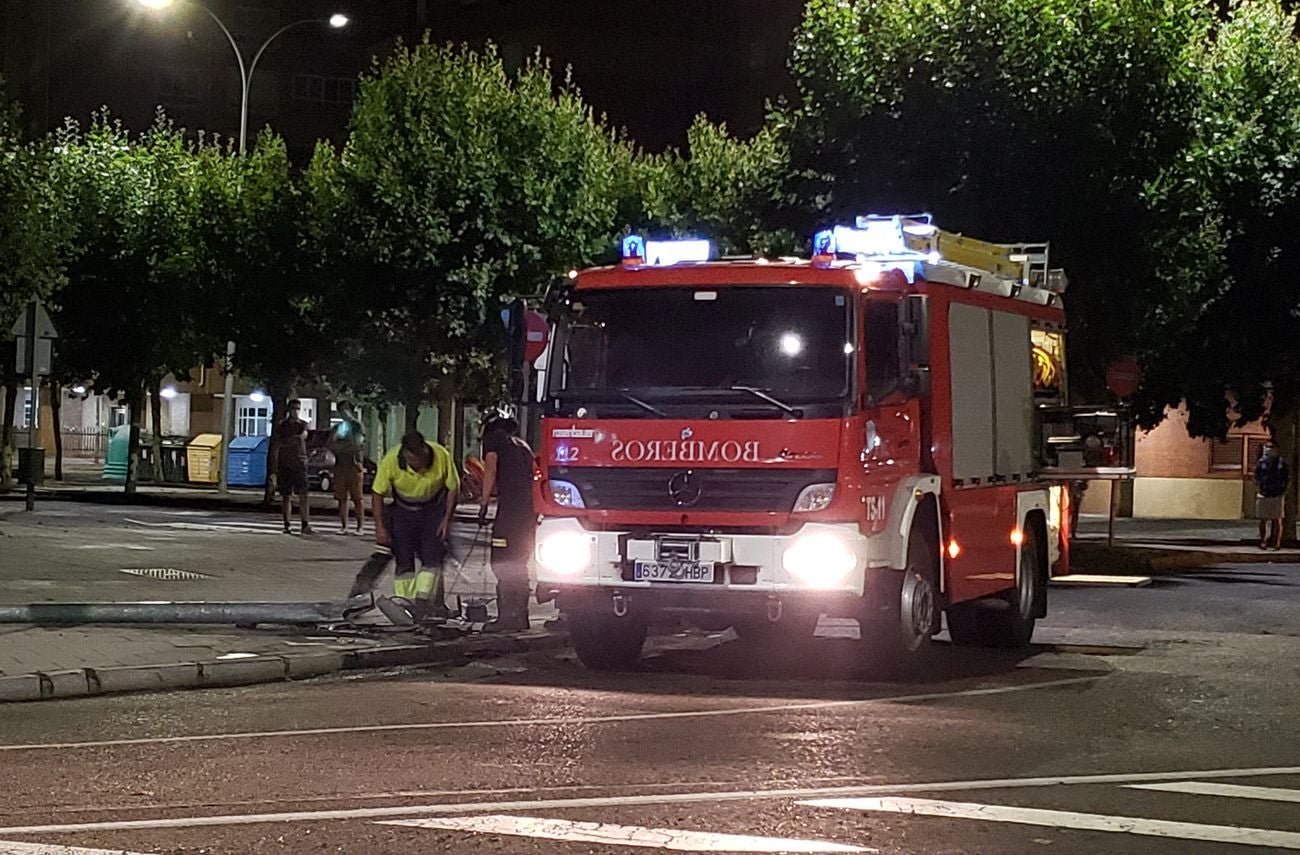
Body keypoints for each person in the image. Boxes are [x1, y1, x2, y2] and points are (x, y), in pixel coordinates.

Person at [370, 430, 460, 620]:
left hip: (432, 510)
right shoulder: (391, 460)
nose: (416, 466)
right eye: (411, 461)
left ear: (424, 451)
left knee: (432, 557)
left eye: (417, 461)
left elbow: (453, 488)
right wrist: (380, 526)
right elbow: (377, 493)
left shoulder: (441, 455)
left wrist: (447, 520)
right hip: (403, 511)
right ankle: (405, 603)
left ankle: (423, 602)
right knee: (403, 560)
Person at [477, 412, 537, 632]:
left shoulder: (494, 441)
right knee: (519, 562)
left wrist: (483, 505)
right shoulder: (523, 446)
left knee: (501, 561)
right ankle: (521, 616)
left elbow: (490, 470)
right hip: (529, 512)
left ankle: (507, 618)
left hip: (509, 512)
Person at [272, 399, 311, 535]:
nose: (295, 411)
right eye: (293, 408)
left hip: (299, 462)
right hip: (285, 463)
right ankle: (287, 524)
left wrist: (295, 440)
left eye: (297, 409)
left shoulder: (302, 425)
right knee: (286, 495)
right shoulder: (282, 426)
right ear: (289, 410)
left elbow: (303, 436)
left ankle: (305, 523)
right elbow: (279, 443)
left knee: (303, 494)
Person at [328, 401, 366, 535]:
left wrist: (341, 446)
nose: (343, 412)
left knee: (357, 496)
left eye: (346, 409)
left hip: (354, 464)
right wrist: (343, 446)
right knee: (341, 497)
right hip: (340, 465)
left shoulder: (357, 425)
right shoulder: (339, 427)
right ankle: (344, 525)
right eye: (341, 410)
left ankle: (360, 526)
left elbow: (357, 444)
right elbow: (331, 444)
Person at [1254, 440, 1289, 549]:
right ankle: (1263, 541)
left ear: (1276, 449)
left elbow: (1287, 479)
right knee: (1263, 519)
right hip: (1264, 493)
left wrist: (1284, 492)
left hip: (1277, 494)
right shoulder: (1261, 462)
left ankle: (1277, 543)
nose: (1268, 449)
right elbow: (1256, 476)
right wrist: (1258, 489)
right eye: (1266, 447)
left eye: (1271, 447)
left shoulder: (1281, 463)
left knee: (1277, 519)